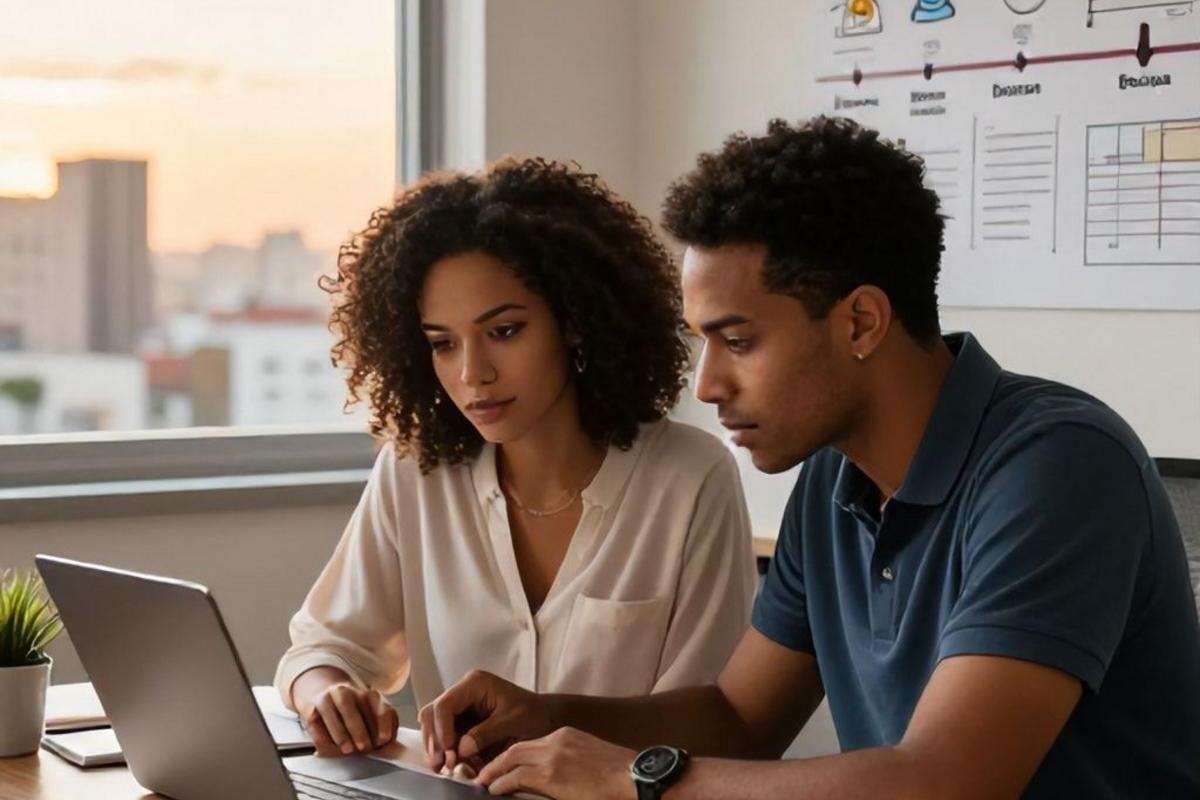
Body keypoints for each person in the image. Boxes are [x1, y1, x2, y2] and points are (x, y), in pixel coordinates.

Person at [418, 118, 1200, 799]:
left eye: (739, 341)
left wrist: (632, 779)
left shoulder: (1059, 467)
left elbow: (945, 783)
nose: (708, 384)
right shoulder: (834, 475)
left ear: (860, 321)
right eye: (702, 342)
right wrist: (552, 715)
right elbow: (739, 718)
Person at [275, 158, 757, 760]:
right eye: (442, 344)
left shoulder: (690, 479)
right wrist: (327, 694)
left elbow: (708, 729)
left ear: (575, 322)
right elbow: (322, 647)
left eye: (503, 331)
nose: (473, 374)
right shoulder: (415, 474)